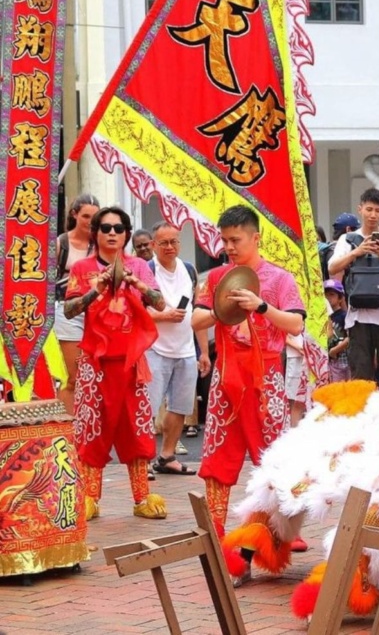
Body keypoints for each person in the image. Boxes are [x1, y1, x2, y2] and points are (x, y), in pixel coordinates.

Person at [191, 205, 306, 534]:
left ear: (255, 238)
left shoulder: (280, 278)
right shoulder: (215, 278)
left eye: (235, 240)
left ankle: (276, 533)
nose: (228, 247)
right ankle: (215, 530)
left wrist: (262, 306)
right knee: (217, 455)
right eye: (224, 240)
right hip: (226, 376)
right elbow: (196, 320)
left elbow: (296, 324)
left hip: (265, 377)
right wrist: (222, 307)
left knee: (272, 458)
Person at [64, 206, 167, 520]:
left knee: (136, 430)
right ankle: (91, 498)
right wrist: (95, 290)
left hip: (131, 362)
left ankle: (141, 498)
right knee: (92, 429)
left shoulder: (139, 265)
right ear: (95, 233)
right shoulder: (82, 268)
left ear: (126, 234)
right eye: (105, 228)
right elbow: (69, 310)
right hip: (95, 363)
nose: (112, 233)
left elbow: (160, 302)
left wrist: (136, 283)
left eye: (118, 228)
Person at [146, 222, 211, 476]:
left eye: (174, 241)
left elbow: (199, 313)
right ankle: (143, 460)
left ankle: (167, 456)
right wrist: (163, 316)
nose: (170, 247)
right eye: (164, 243)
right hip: (153, 348)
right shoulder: (147, 271)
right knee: (147, 408)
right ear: (154, 245)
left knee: (181, 406)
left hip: (185, 349)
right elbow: (137, 311)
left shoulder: (189, 270)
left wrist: (203, 352)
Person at [328, 188, 379, 391]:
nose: (373, 215)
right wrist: (357, 252)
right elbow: (332, 268)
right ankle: (363, 418)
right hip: (358, 316)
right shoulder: (348, 240)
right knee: (361, 373)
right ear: (360, 209)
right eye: (369, 209)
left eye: (378, 210)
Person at [54, 194, 100, 415]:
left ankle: (89, 428)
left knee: (96, 374)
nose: (91, 221)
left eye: (95, 216)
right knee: (72, 376)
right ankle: (69, 433)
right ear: (74, 215)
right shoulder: (61, 243)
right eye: (86, 216)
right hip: (67, 310)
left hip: (97, 311)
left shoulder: (101, 242)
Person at [324, 279, 350, 383]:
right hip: (331, 361)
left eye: (331, 294)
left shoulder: (344, 316)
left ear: (340, 298)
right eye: (325, 295)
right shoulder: (323, 317)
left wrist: (335, 350)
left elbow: (351, 337)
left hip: (345, 359)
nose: (327, 298)